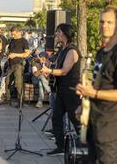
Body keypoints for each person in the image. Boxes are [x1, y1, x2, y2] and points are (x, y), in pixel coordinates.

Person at [76, 7, 117, 164]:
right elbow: (98, 84)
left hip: (110, 122)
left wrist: (93, 93)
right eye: (102, 22)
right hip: (95, 118)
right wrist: (85, 99)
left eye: (109, 22)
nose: (104, 25)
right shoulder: (102, 52)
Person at [41, 23, 81, 155]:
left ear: (64, 33)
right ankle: (61, 147)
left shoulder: (72, 51)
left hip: (71, 90)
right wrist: (46, 68)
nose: (56, 35)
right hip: (61, 90)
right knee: (56, 117)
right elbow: (56, 67)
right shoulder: (62, 50)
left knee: (75, 118)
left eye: (58, 32)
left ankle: (85, 145)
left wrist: (50, 70)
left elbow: (64, 71)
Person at [5, 26, 31, 105]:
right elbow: (9, 50)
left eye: (14, 34)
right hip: (10, 64)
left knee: (18, 83)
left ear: (19, 32)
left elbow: (27, 53)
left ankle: (20, 102)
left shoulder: (24, 41)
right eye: (12, 34)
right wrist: (8, 54)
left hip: (19, 65)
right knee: (7, 82)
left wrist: (15, 55)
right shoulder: (12, 40)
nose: (13, 36)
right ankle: (8, 100)